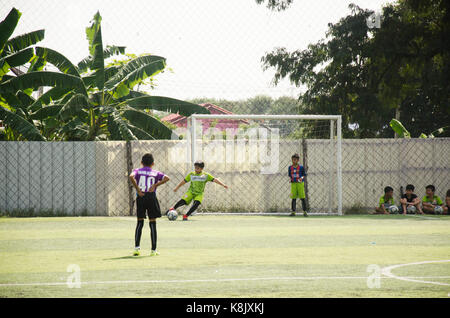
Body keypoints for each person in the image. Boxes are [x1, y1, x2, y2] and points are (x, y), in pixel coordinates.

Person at [129, 153, 170, 256]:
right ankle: (153, 250)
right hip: (151, 197)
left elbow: (131, 176)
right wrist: (156, 184)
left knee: (140, 222)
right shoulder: (155, 173)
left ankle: (137, 248)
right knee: (153, 223)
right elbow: (167, 178)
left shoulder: (137, 171)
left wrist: (138, 189)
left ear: (141, 163)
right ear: (153, 163)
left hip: (141, 197)